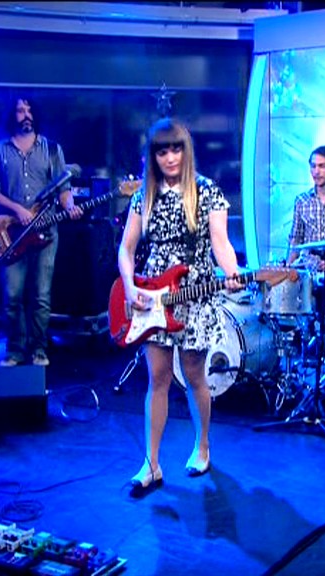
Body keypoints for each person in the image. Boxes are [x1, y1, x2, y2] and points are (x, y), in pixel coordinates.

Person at [115, 118, 244, 496]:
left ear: (186, 151)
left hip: (195, 293)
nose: (170, 157)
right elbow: (126, 248)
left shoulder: (208, 191)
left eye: (176, 149)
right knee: (157, 378)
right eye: (162, 151)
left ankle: (202, 446)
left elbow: (220, 242)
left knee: (194, 376)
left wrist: (232, 271)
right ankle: (151, 464)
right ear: (153, 156)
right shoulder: (143, 196)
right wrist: (129, 287)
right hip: (153, 295)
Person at [0, 96, 82, 367]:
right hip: (12, 233)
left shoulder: (52, 149)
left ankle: (39, 349)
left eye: (29, 110)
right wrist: (17, 209)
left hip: (45, 232)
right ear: (12, 115)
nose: (25, 115)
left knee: (41, 295)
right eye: (19, 110)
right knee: (13, 295)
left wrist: (70, 206)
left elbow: (63, 189)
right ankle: (15, 350)